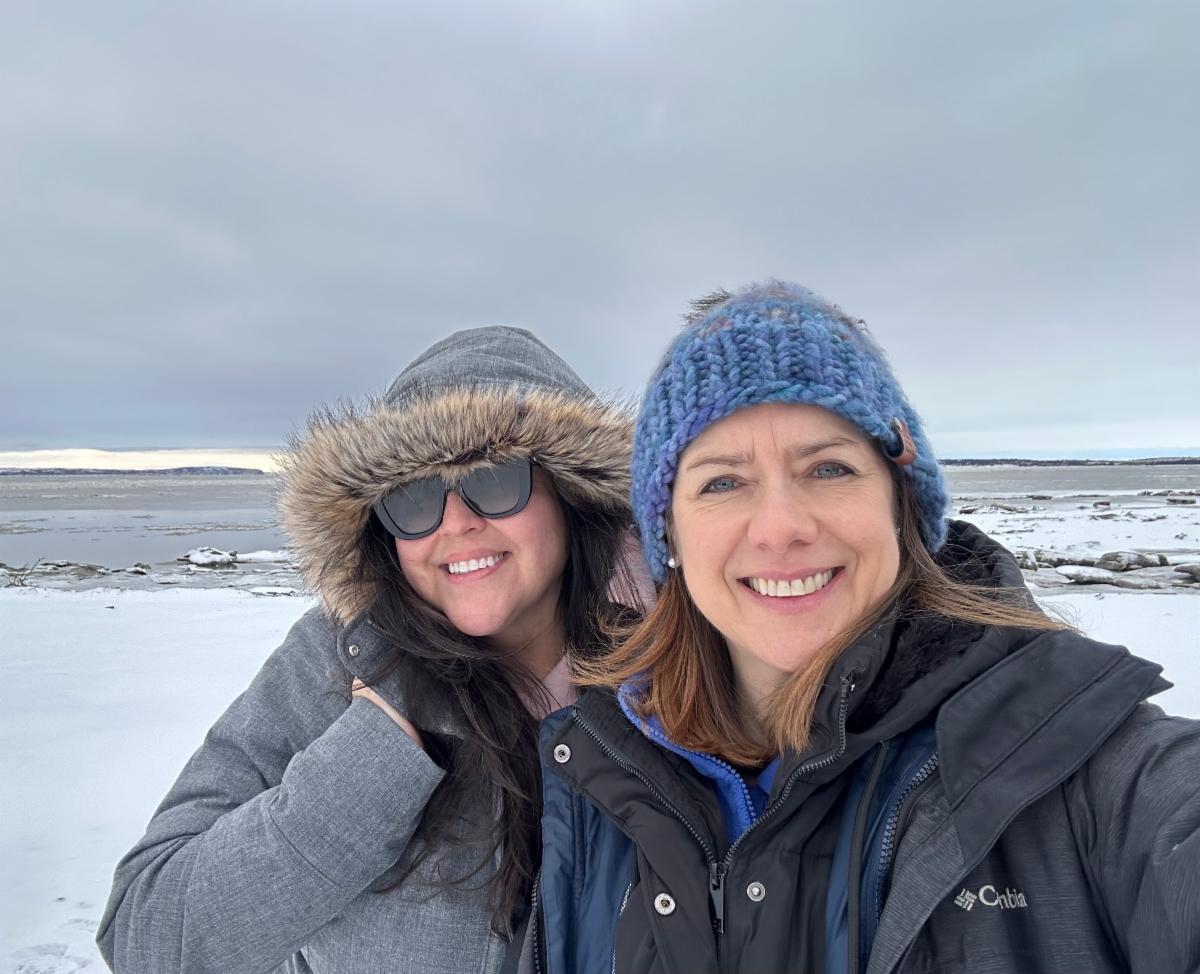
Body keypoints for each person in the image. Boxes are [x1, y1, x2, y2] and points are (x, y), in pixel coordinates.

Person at [534, 281, 1200, 974]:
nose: (782, 527)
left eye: (829, 468)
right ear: (665, 531)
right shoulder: (595, 779)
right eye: (723, 482)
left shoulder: (1079, 764)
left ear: (900, 505)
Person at [97, 325, 641, 973]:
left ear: (571, 493)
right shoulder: (340, 658)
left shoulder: (679, 670)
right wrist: (378, 756)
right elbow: (146, 935)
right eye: (413, 497)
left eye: (496, 480)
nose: (456, 523)